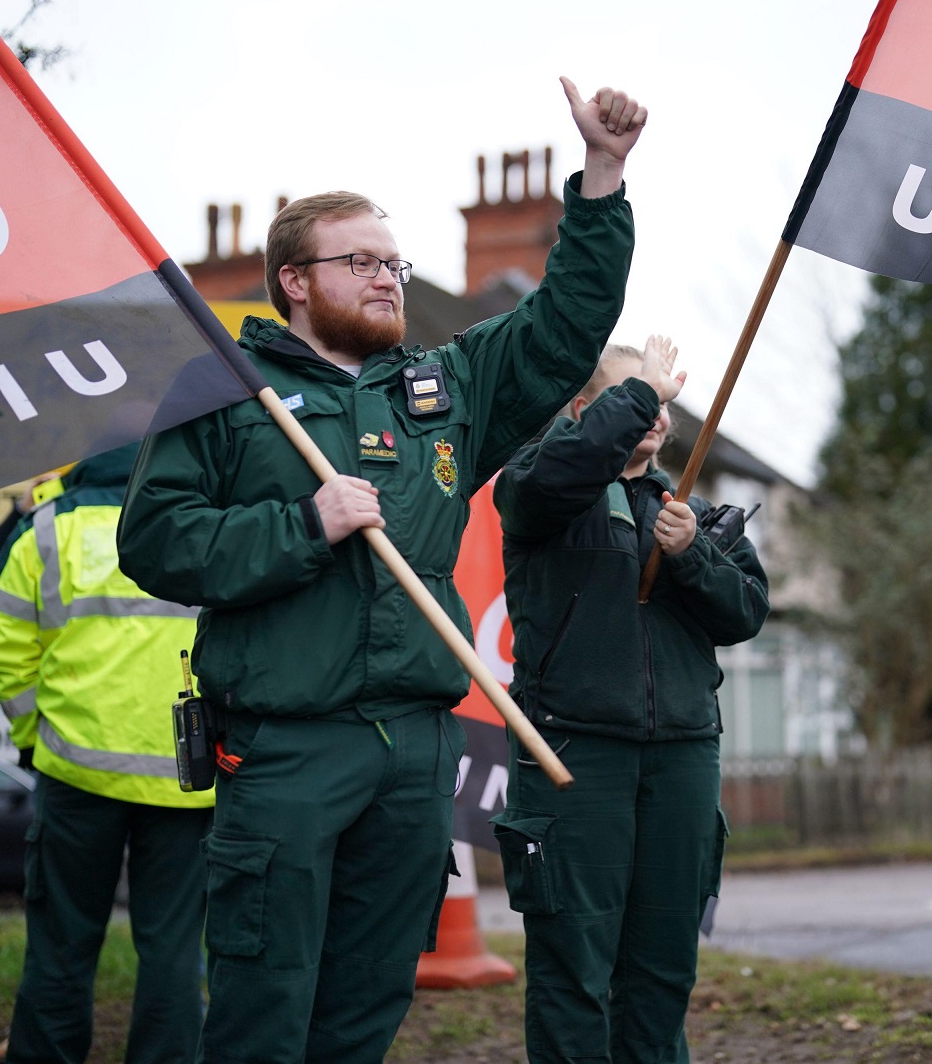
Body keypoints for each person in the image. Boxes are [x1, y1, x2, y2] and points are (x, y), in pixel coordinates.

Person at [116, 78, 646, 1063]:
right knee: (261, 1000)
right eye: (359, 261)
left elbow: (565, 324)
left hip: (412, 748)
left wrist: (602, 178)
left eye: (394, 261)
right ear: (293, 280)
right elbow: (154, 542)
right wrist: (301, 523)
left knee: (366, 1002)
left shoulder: (441, 391)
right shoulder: (222, 389)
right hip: (281, 748)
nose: (388, 277)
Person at [492, 336, 769, 1063]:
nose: (654, 407)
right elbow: (555, 475)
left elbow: (744, 613)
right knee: (573, 970)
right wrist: (642, 387)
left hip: (682, 755)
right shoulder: (538, 491)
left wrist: (692, 556)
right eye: (633, 393)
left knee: (663, 969)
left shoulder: (700, 515)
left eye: (659, 397)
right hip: (573, 757)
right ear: (588, 409)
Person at [0, 443, 214, 1064]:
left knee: (61, 943)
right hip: (185, 779)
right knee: (172, 949)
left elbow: (8, 650)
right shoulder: (204, 524)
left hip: (76, 774)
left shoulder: (46, 529)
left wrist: (37, 739)